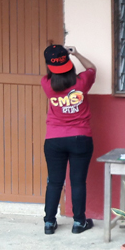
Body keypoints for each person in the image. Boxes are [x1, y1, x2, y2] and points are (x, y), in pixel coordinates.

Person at [41, 44, 97, 235]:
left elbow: (52, 74)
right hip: (80, 137)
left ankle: (49, 223)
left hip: (54, 139)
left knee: (54, 182)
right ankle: (79, 222)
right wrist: (76, 53)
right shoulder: (82, 82)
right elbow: (92, 68)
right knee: (78, 182)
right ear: (68, 63)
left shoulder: (46, 83)